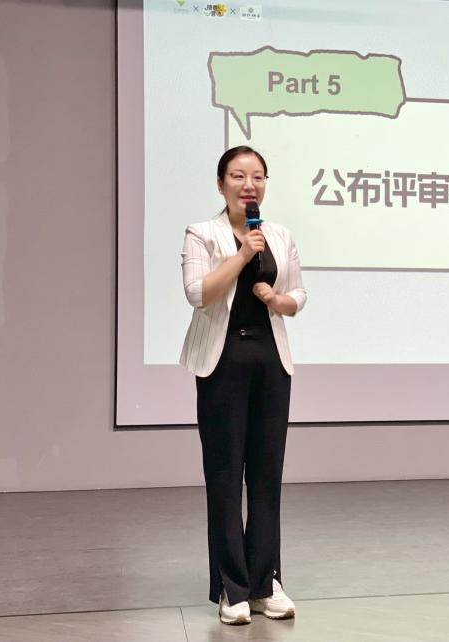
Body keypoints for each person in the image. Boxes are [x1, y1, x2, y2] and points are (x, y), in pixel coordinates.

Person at [179, 146, 306, 624]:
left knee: (267, 477)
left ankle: (264, 583)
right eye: (237, 176)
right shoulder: (201, 233)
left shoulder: (280, 234)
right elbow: (198, 294)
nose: (248, 185)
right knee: (226, 475)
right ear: (221, 184)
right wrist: (242, 255)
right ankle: (231, 588)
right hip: (223, 363)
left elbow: (298, 292)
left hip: (271, 364)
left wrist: (280, 300)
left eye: (257, 176)